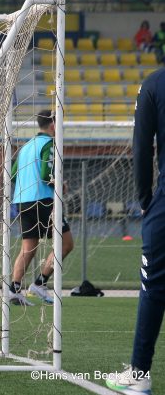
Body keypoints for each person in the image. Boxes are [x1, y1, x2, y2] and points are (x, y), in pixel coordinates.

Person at [105, 68, 165, 395]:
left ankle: (139, 372)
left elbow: (141, 148)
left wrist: (146, 200)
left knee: (154, 285)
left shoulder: (154, 83)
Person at [9, 109, 75, 306]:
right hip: (43, 201)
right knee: (66, 244)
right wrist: (60, 185)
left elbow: (13, 175)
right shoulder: (50, 144)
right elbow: (48, 175)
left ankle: (14, 289)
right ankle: (40, 283)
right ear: (53, 124)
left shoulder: (26, 146)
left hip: (22, 200)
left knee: (28, 247)